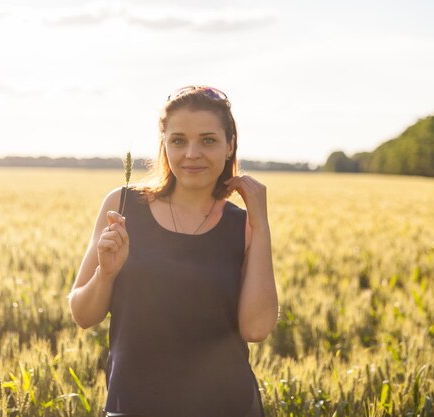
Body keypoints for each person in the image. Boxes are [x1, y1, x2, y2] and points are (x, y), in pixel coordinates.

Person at [68, 85, 278, 417]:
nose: (192, 153)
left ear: (229, 146)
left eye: (208, 140)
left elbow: (256, 329)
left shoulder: (244, 225)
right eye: (178, 140)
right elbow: (82, 314)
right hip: (134, 405)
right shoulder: (123, 207)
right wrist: (106, 274)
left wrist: (261, 225)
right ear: (164, 145)